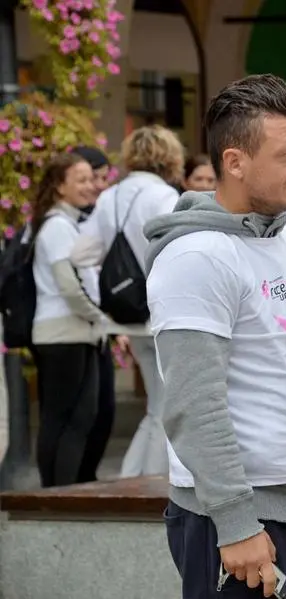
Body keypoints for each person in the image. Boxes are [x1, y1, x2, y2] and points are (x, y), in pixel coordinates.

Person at [145, 74, 286, 599]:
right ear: (235, 162)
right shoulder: (196, 256)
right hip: (245, 530)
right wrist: (236, 523)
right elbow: (194, 404)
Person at [73, 125, 183, 479]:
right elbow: (177, 252)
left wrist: (109, 281)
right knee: (167, 407)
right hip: (162, 311)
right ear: (167, 156)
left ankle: (133, 477)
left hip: (128, 315)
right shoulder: (164, 196)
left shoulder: (109, 197)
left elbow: (82, 255)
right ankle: (148, 482)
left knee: (157, 405)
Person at [30, 153, 106, 487]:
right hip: (64, 334)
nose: (91, 186)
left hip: (74, 334)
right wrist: (101, 317)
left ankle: (61, 491)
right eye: (81, 180)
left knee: (74, 417)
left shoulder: (66, 223)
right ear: (60, 186)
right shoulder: (58, 226)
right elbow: (69, 288)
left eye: (92, 179)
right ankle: (59, 494)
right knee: (66, 419)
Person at [70, 145, 119, 482]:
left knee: (100, 414)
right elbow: (73, 274)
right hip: (73, 330)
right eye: (89, 179)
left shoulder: (89, 216)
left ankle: (84, 482)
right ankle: (68, 489)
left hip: (96, 327)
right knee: (78, 417)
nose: (97, 186)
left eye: (101, 178)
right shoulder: (62, 223)